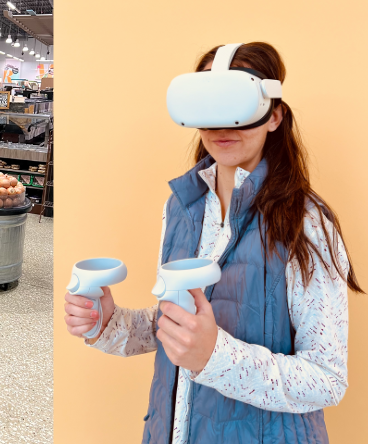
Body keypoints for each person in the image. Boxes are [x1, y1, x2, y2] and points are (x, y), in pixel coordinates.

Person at [63, 42, 363, 444]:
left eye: (236, 107)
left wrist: (215, 357)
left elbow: (327, 379)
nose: (222, 126)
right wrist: (110, 323)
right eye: (208, 105)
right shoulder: (182, 207)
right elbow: (174, 327)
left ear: (274, 115)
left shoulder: (306, 223)